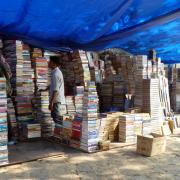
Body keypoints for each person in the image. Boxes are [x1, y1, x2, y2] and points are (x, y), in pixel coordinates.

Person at [48, 56, 66, 124]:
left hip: (56, 101)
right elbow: (55, 86)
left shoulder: (55, 74)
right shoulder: (57, 72)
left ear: (53, 63)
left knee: (56, 120)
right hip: (57, 100)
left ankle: (61, 133)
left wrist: (51, 102)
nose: (48, 63)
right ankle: (60, 133)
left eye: (50, 62)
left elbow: (56, 90)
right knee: (57, 119)